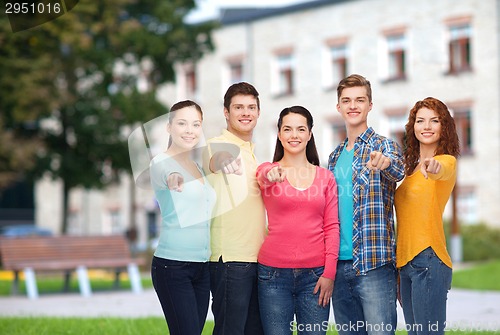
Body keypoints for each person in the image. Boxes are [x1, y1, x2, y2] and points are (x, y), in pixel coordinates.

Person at [328, 74, 405, 335]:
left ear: (370, 105)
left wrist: (384, 163)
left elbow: (397, 170)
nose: (353, 106)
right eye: (346, 100)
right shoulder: (334, 156)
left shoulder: (384, 146)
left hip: (374, 263)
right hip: (338, 266)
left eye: (360, 100)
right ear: (338, 106)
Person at [256, 106, 340, 335]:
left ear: (310, 134)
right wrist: (270, 175)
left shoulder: (326, 177)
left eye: (301, 129)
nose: (294, 135)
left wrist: (329, 273)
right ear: (279, 134)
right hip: (272, 275)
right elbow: (262, 176)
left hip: (315, 277)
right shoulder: (269, 171)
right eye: (288, 129)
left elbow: (332, 227)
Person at [203, 82, 267, 335]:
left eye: (251, 107)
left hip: (258, 258)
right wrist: (221, 160)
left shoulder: (252, 153)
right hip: (230, 260)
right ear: (226, 113)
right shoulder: (217, 144)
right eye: (238, 107)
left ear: (258, 113)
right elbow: (213, 160)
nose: (245, 112)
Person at [149, 100, 216, 335]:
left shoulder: (198, 166)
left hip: (202, 267)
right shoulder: (160, 162)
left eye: (196, 124)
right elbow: (168, 173)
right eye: (182, 123)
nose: (190, 130)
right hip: (173, 267)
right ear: (169, 127)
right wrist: (174, 177)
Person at [394, 97, 460, 335]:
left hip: (429, 260)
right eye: (420, 121)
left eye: (435, 120)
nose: (427, 126)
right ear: (413, 127)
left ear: (445, 127)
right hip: (406, 265)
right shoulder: (408, 169)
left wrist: (433, 167)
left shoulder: (445, 161)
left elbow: (441, 170)